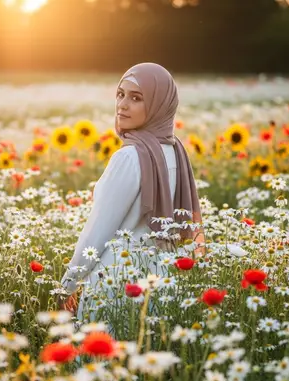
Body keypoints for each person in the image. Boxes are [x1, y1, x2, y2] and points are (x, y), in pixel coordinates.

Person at [58, 62, 205, 321]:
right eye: (120, 94)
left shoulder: (129, 156)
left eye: (136, 98)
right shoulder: (176, 152)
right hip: (160, 286)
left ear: (160, 104)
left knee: (99, 360)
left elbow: (97, 232)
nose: (122, 104)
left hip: (113, 286)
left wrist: (68, 284)